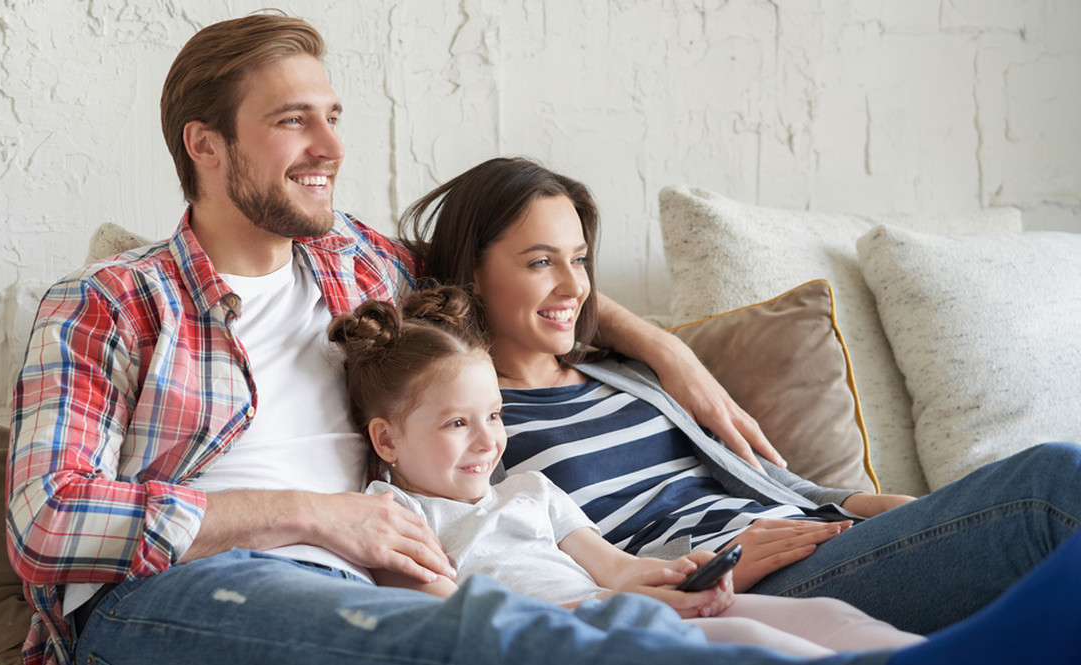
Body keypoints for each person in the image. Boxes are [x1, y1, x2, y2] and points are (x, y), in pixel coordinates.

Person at [6, 11, 888, 665]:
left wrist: (660, 345)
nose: (331, 146)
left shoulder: (358, 264)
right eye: (292, 122)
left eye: (332, 115)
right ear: (205, 145)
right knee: (480, 637)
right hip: (172, 604)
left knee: (556, 623)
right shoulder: (108, 305)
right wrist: (313, 514)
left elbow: (518, 271)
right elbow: (46, 520)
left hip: (377, 583)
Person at [401, 156, 1081, 635]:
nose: (575, 286)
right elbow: (512, 559)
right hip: (735, 584)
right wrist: (696, 567)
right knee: (1052, 482)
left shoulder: (620, 372)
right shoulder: (468, 422)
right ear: (473, 272)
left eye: (578, 259)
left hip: (813, 534)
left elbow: (771, 483)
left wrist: (883, 507)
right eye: (539, 260)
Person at [328, 285, 925, 657]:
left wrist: (681, 575)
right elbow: (451, 622)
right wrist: (623, 606)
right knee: (754, 644)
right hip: (573, 640)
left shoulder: (530, 489)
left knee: (824, 617)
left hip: (621, 609)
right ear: (387, 440)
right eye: (457, 424)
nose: (488, 441)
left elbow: (619, 568)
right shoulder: (396, 519)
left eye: (493, 415)